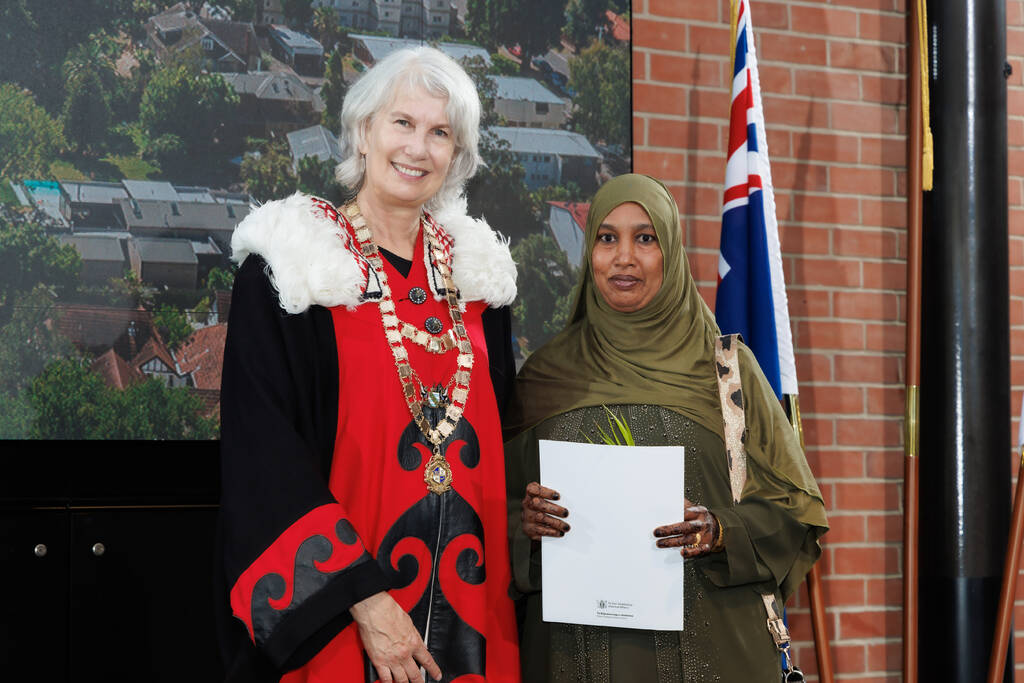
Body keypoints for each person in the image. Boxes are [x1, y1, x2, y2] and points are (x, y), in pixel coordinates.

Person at [216, 47, 521, 683]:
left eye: (440, 133)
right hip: (343, 621)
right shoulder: (294, 272)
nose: (418, 148)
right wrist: (363, 598)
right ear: (363, 132)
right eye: (402, 123)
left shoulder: (479, 280)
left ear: (457, 155)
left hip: (471, 610)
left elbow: (501, 443)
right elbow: (263, 456)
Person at [503, 174, 828, 682]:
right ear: (590, 253)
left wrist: (718, 530)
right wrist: (526, 527)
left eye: (645, 238)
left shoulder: (728, 372)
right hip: (573, 658)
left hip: (715, 655)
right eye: (607, 238)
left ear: (671, 253)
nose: (624, 257)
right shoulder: (545, 377)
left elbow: (796, 513)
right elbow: (485, 514)